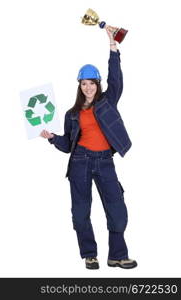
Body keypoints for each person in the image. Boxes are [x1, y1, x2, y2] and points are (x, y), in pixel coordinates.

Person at [40, 25, 137, 270]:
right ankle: (89, 254)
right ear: (79, 85)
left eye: (92, 83)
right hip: (80, 162)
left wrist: (113, 47)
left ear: (98, 84)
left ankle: (117, 255)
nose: (88, 88)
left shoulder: (108, 102)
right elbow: (66, 145)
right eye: (84, 84)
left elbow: (116, 77)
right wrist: (51, 137)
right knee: (81, 213)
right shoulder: (72, 114)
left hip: (105, 161)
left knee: (117, 208)